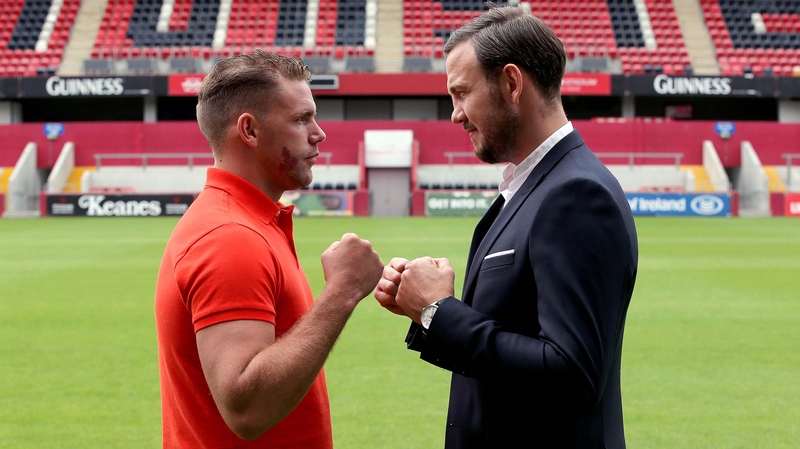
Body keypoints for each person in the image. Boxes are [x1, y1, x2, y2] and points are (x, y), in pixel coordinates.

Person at [375, 5, 638, 449]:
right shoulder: (534, 184)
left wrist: (439, 311)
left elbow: (571, 375)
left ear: (512, 83)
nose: (455, 114)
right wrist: (423, 310)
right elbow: (514, 338)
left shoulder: (575, 195)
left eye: (462, 93)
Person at [155, 50, 383, 448]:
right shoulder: (229, 236)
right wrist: (343, 290)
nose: (319, 133)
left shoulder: (246, 221)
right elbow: (247, 407)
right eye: (301, 118)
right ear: (250, 130)